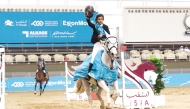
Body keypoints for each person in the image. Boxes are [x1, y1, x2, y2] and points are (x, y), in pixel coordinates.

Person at [85, 13, 110, 81]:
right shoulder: (95, 26)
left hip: (104, 45)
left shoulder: (105, 27)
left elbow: (108, 35)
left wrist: (102, 36)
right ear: (96, 20)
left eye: (101, 19)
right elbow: (90, 23)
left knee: (110, 56)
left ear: (103, 20)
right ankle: (88, 74)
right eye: (99, 19)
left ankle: (116, 73)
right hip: (97, 45)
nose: (100, 20)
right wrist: (88, 18)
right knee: (93, 58)